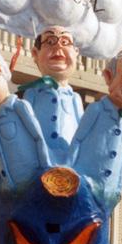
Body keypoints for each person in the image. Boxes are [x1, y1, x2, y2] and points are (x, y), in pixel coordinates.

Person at [68, 52, 122, 199]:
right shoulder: (96, 109)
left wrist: (117, 189)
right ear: (109, 77)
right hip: (84, 187)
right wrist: (68, 175)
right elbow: (77, 141)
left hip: (108, 193)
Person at [19, 26, 84, 164]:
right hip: (39, 161)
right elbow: (26, 127)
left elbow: (82, 133)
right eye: (49, 42)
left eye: (65, 42)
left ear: (76, 53)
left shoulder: (75, 99)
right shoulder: (32, 94)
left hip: (69, 165)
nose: (58, 47)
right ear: (35, 54)